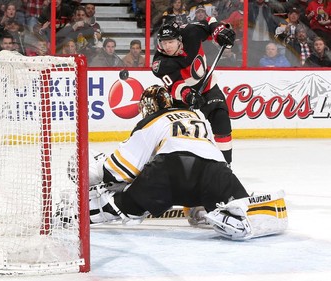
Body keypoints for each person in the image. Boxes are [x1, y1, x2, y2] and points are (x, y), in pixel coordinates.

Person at [83, 85, 288, 241]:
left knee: (119, 205)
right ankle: (213, 209)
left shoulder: (151, 121)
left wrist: (93, 174)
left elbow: (120, 168)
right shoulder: (196, 116)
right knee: (242, 208)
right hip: (216, 170)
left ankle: (69, 215)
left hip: (170, 171)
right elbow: (202, 156)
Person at [151, 21, 236, 166]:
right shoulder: (160, 64)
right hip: (182, 97)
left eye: (170, 42)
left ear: (179, 39)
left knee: (221, 119)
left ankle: (225, 165)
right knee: (180, 131)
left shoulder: (191, 32)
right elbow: (175, 85)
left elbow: (211, 26)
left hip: (207, 85)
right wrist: (188, 95)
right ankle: (178, 165)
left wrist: (220, 33)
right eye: (164, 43)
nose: (167, 47)